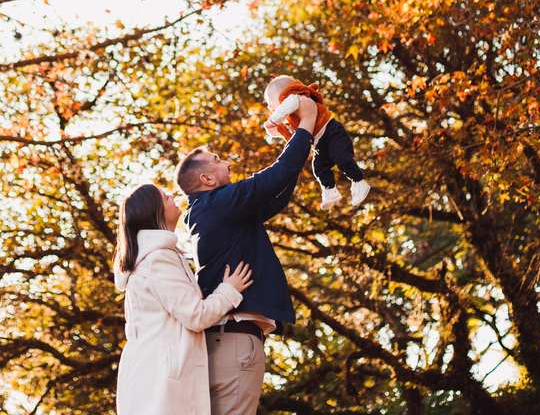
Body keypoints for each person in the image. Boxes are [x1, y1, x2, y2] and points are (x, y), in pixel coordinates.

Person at [173, 95, 319, 415]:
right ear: (207, 179)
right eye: (217, 160)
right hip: (235, 342)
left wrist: (295, 145)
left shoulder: (215, 211)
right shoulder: (219, 203)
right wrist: (307, 124)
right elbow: (274, 176)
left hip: (225, 341)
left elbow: (277, 192)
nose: (228, 163)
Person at [114, 183, 254, 415]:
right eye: (165, 196)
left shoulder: (153, 257)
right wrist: (228, 290)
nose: (172, 195)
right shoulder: (158, 259)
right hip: (163, 375)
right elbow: (196, 315)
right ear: (153, 211)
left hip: (150, 369)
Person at [262, 75, 370, 210]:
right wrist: (269, 127)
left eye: (270, 101)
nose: (269, 106)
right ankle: (330, 190)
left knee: (341, 157)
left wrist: (273, 120)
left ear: (283, 93)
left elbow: (288, 105)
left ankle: (358, 181)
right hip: (319, 145)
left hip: (331, 132)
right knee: (319, 167)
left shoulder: (296, 97)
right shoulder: (288, 118)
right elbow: (279, 132)